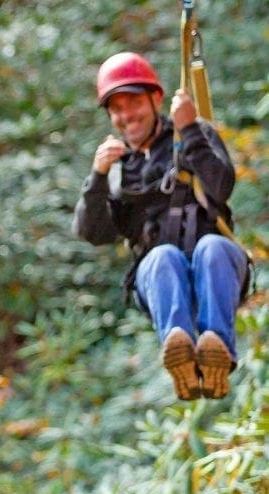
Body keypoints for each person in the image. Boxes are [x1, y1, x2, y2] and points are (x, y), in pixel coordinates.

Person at [73, 51, 249, 401]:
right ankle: (179, 347)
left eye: (133, 103)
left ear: (156, 98)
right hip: (161, 278)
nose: (126, 116)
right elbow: (94, 233)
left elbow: (222, 186)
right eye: (116, 109)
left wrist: (189, 129)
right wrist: (97, 178)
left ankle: (217, 348)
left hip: (216, 266)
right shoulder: (119, 168)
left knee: (211, 247)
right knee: (162, 256)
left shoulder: (192, 134)